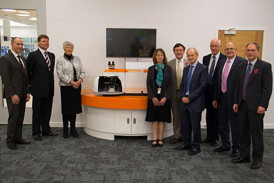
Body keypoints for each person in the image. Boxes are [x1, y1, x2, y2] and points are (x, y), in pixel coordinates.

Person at [232, 43, 272, 169]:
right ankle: (244, 156)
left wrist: (263, 105)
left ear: (258, 52)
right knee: (242, 132)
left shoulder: (264, 66)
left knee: (256, 134)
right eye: (248, 50)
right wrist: (235, 102)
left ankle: (257, 159)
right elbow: (237, 86)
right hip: (242, 104)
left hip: (256, 107)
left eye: (253, 50)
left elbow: (267, 88)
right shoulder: (241, 65)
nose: (250, 53)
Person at [212, 42, 246, 157]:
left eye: (231, 49)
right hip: (221, 97)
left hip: (234, 99)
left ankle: (236, 147)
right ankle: (226, 144)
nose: (229, 51)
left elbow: (242, 84)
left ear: (236, 49)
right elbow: (217, 81)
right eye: (227, 49)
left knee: (235, 124)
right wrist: (215, 98)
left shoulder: (242, 62)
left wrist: (237, 100)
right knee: (222, 122)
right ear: (224, 50)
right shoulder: (221, 62)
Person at [0, 37, 31, 149]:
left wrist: (27, 92)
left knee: (20, 116)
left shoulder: (22, 58)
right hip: (13, 94)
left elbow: (25, 78)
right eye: (18, 44)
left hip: (23, 94)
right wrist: (12, 94)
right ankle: (10, 140)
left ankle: (18, 137)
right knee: (13, 117)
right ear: (12, 44)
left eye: (21, 44)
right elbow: (5, 80)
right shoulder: (5, 59)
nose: (20, 46)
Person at [176, 47, 207, 155]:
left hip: (195, 102)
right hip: (184, 101)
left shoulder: (203, 68)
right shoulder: (186, 69)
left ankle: (196, 146)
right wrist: (182, 97)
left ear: (197, 55)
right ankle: (186, 143)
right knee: (185, 125)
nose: (190, 57)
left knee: (195, 126)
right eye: (188, 55)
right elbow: (182, 85)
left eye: (192, 55)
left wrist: (190, 97)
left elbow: (202, 86)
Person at [27, 34, 57, 141]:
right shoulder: (33, 55)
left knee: (47, 111)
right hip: (38, 89)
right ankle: (36, 132)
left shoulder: (52, 55)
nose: (46, 43)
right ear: (38, 42)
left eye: (47, 41)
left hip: (49, 89)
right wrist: (30, 87)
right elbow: (28, 73)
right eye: (44, 41)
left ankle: (46, 130)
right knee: (37, 112)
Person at [56, 41, 85, 138]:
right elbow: (60, 74)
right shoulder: (60, 60)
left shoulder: (77, 59)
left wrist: (79, 81)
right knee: (66, 110)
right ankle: (65, 130)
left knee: (74, 109)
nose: (69, 49)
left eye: (71, 48)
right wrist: (72, 82)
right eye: (67, 47)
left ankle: (73, 129)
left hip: (76, 87)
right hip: (66, 88)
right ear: (64, 49)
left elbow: (82, 71)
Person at [146, 48, 173, 147]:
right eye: (158, 55)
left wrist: (165, 97)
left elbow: (171, 85)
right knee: (154, 119)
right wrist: (153, 97)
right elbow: (148, 84)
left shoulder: (168, 69)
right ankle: (154, 139)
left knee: (162, 119)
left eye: (161, 55)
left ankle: (160, 139)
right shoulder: (151, 69)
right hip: (153, 97)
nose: (160, 56)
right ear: (155, 57)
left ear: (164, 57)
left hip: (164, 98)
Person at [202, 38, 226, 146]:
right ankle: (209, 136)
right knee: (208, 114)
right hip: (207, 90)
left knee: (216, 114)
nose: (214, 48)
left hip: (218, 90)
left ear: (220, 47)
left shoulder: (224, 58)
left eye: (216, 46)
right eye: (212, 46)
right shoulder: (206, 58)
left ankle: (215, 137)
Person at [167, 43, 188, 144]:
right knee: (175, 115)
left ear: (183, 51)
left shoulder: (189, 62)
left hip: (186, 94)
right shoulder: (169, 64)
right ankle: (176, 135)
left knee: (185, 115)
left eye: (180, 50)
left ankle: (185, 135)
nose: (179, 52)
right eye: (176, 50)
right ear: (174, 52)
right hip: (174, 93)